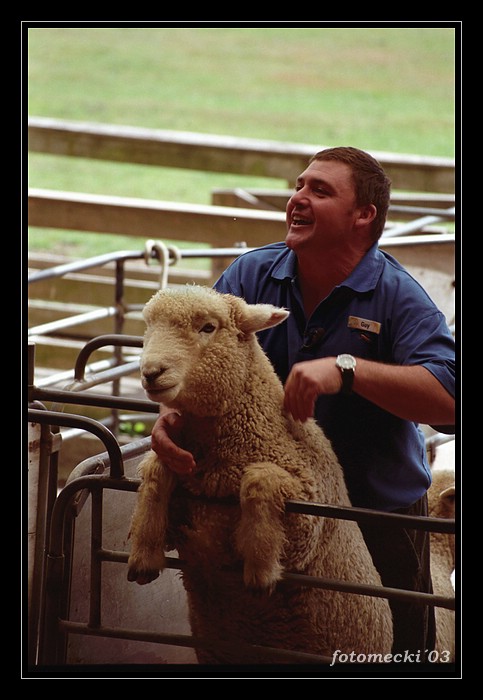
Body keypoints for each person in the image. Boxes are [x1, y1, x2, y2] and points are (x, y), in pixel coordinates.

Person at [150, 146, 456, 661]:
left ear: (364, 216)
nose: (298, 198)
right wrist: (168, 420)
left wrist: (347, 369)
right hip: (266, 505)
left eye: (320, 190)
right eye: (299, 186)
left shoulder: (398, 298)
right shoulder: (249, 277)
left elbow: (450, 400)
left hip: (376, 506)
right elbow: (192, 367)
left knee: (399, 649)